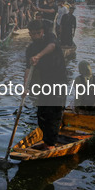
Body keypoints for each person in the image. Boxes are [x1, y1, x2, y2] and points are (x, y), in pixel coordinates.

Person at [26, 19, 67, 149]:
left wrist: (38, 56)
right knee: (41, 113)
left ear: (42, 31)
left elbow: (52, 46)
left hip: (59, 81)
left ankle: (51, 144)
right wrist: (25, 87)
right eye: (34, 34)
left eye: (39, 33)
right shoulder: (30, 49)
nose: (37, 36)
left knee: (54, 112)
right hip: (45, 82)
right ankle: (46, 140)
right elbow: (27, 69)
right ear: (30, 34)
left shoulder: (50, 37)